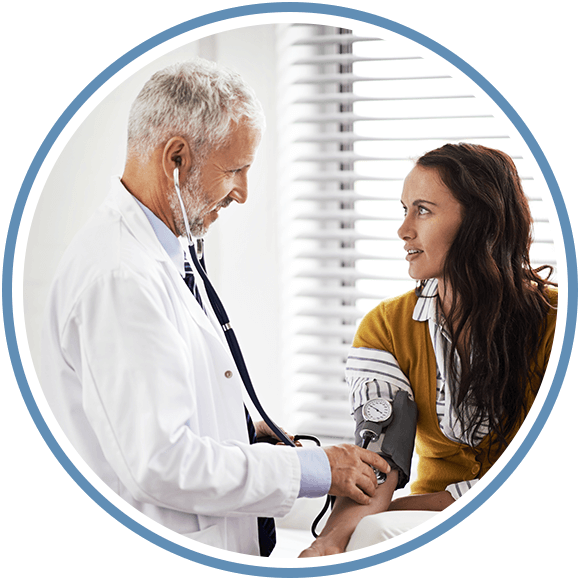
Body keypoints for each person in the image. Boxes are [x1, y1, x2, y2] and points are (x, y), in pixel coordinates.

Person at [40, 58, 390, 557]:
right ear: (176, 157)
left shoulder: (166, 252)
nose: (243, 194)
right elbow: (160, 463)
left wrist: (242, 431)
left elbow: (165, 407)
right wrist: (316, 469)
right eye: (235, 170)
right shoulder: (120, 276)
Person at [299, 143, 558, 556]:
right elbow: (379, 461)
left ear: (480, 221)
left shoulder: (557, 321)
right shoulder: (387, 327)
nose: (403, 230)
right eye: (404, 210)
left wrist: (404, 510)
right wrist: (327, 544)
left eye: (422, 210)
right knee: (366, 534)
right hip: (424, 517)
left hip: (428, 512)